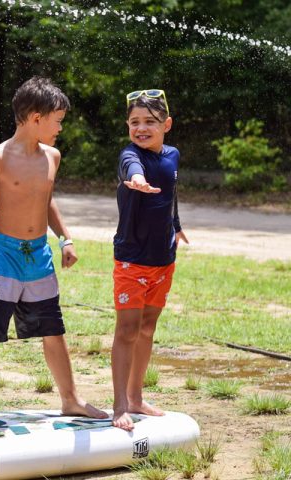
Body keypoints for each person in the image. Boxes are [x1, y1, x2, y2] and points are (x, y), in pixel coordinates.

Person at [0, 76, 108, 429]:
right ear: (36, 118)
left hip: (38, 256)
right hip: (0, 255)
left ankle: (71, 400)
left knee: (53, 329)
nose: (61, 128)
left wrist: (65, 238)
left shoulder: (52, 156)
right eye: (58, 121)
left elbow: (46, 200)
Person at [111, 90, 187, 431]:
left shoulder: (172, 155)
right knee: (127, 330)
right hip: (132, 260)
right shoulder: (129, 155)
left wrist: (177, 226)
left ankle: (137, 396)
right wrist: (137, 181)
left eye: (150, 122)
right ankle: (119, 405)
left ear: (166, 124)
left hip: (163, 260)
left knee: (147, 328)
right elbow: (133, 167)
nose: (141, 128)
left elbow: (170, 196)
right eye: (134, 122)